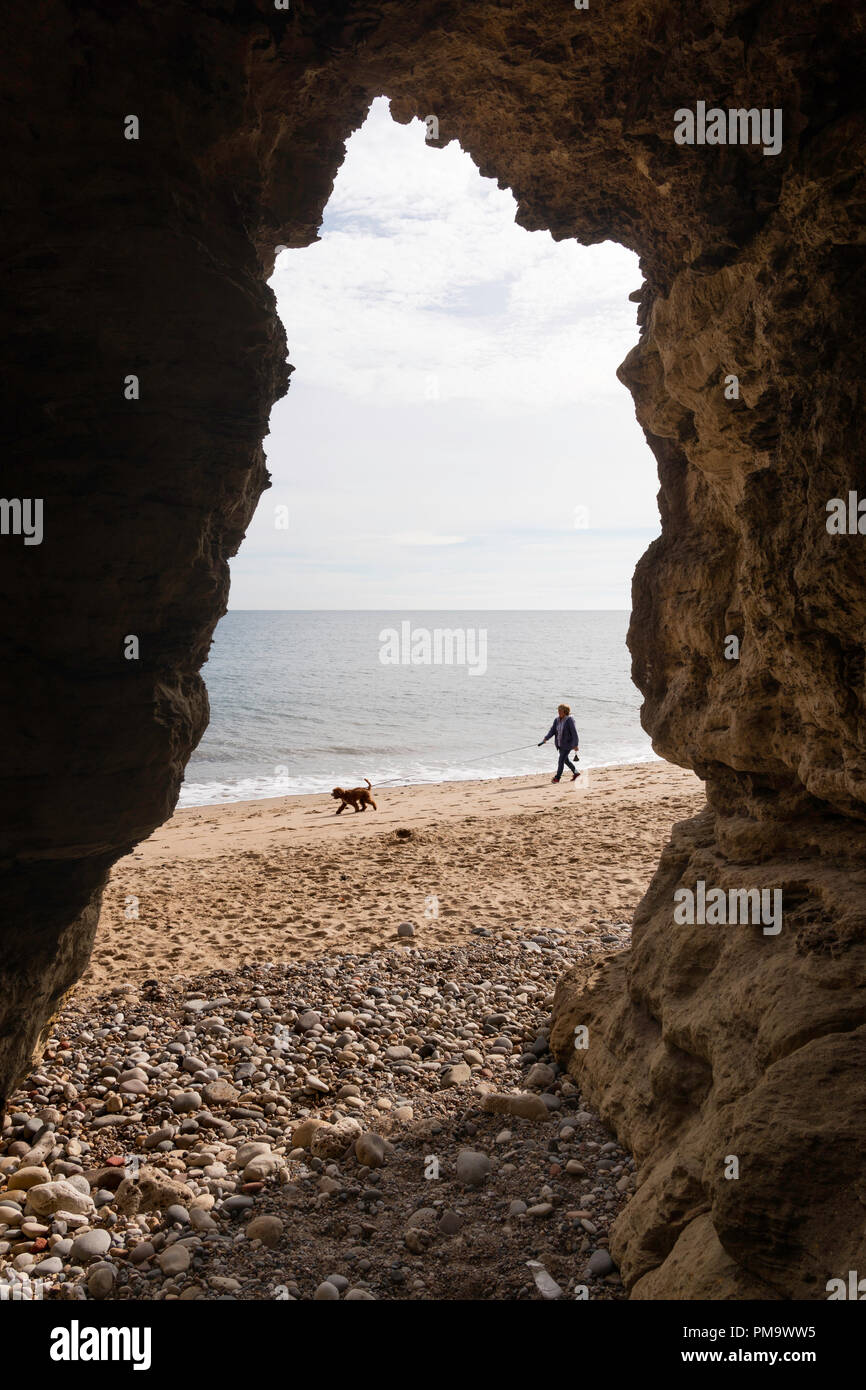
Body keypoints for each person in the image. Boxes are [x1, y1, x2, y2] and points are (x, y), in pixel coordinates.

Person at [538, 704, 580, 782]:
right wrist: (546, 738)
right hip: (560, 744)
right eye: (558, 710)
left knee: (561, 760)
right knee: (565, 760)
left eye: (560, 711)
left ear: (565, 711)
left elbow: (574, 733)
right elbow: (552, 731)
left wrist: (575, 744)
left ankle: (557, 778)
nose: (559, 712)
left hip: (568, 744)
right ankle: (576, 773)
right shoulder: (556, 720)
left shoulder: (569, 720)